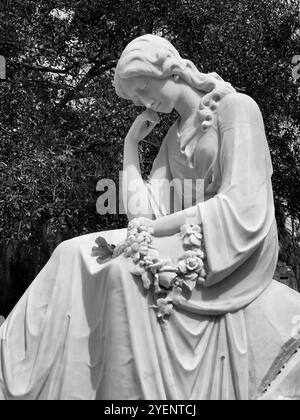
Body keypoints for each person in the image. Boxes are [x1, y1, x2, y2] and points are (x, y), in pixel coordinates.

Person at [0, 34, 300, 400]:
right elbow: (140, 213)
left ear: (169, 68)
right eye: (136, 98)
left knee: (123, 272)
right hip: (185, 233)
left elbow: (245, 202)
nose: (145, 102)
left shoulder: (237, 108)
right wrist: (131, 146)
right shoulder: (172, 139)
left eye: (144, 88)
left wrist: (152, 229)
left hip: (234, 238)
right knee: (69, 251)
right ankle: (15, 374)